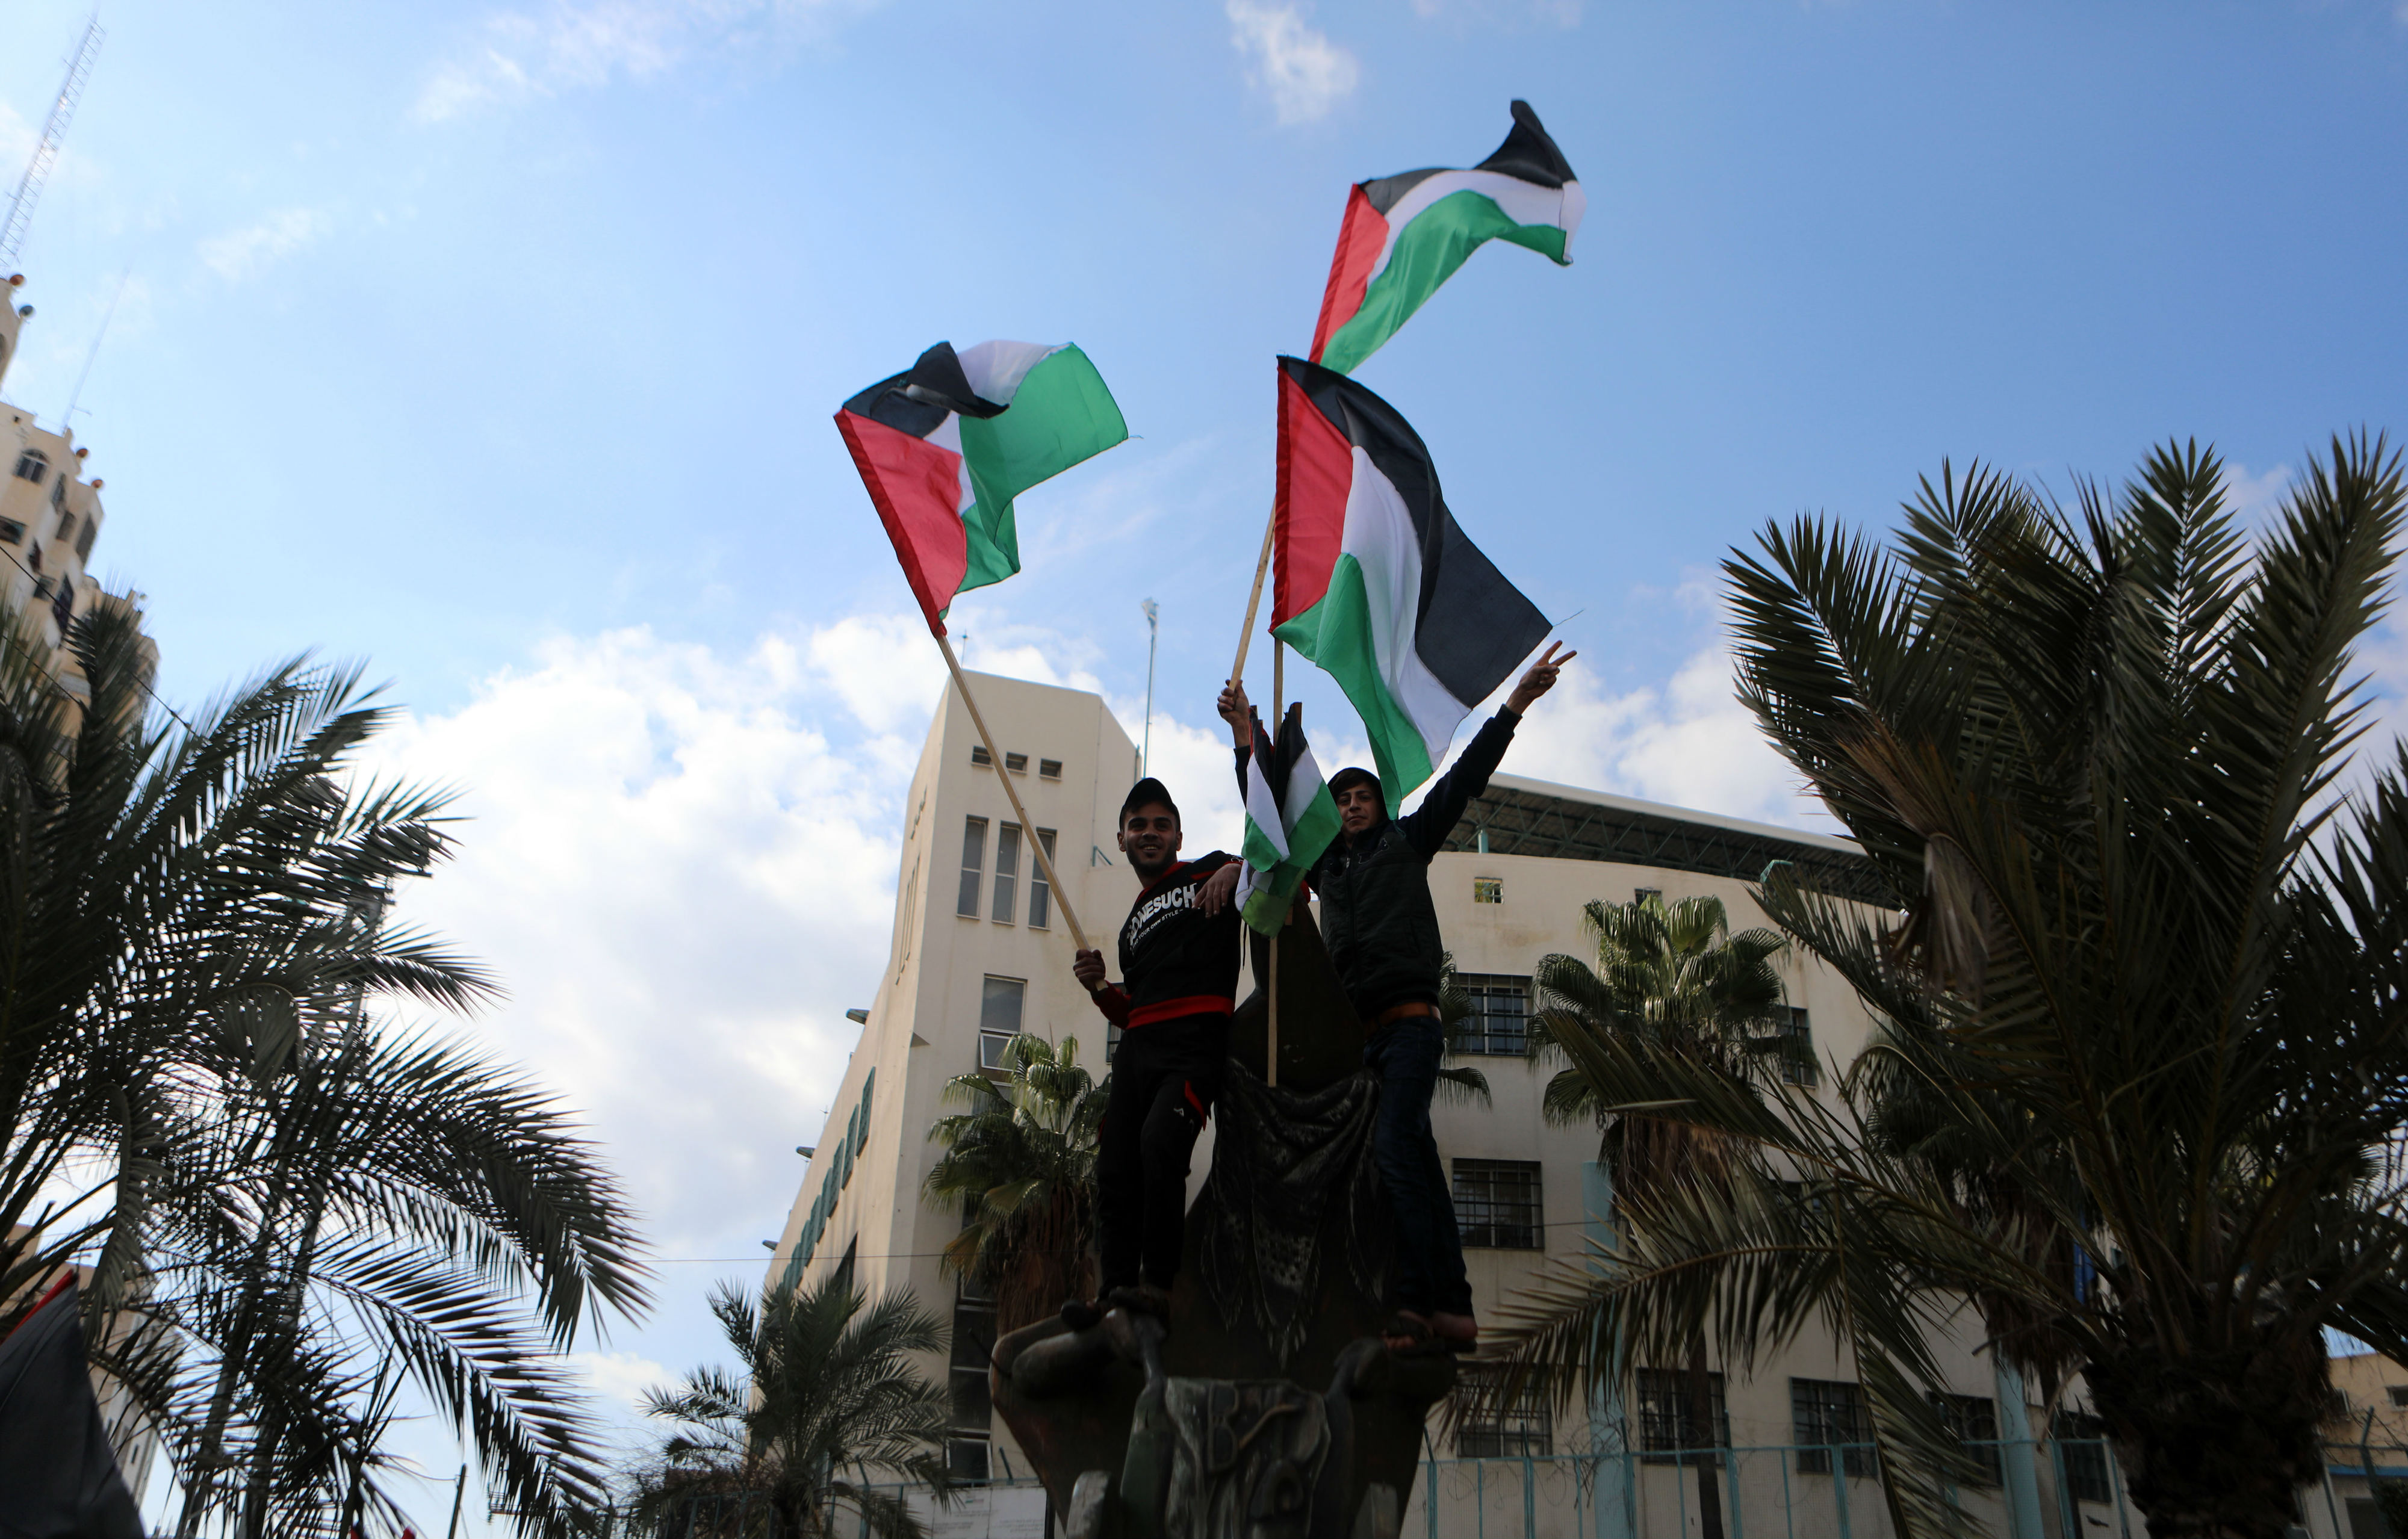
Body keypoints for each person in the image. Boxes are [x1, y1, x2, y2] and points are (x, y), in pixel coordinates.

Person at [1218, 641, 1573, 1351]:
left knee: (1392, 1154)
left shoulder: (1408, 843)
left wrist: (1514, 707)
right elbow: (1273, 817)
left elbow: (1466, 778)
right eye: (1342, 799)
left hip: (1410, 1029)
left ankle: (1413, 1304)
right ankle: (1455, 1308)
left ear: (1381, 806)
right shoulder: (1329, 869)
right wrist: (1245, 740)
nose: (1350, 806)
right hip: (1362, 1042)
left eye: (1361, 797)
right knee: (1416, 1162)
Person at [1064, 777, 1244, 1328]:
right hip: (1137, 1053)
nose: (1149, 833)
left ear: (1178, 835)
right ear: (1121, 838)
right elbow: (1130, 1010)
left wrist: (1236, 871)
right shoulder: (1129, 931)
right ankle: (1113, 1290)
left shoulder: (1207, 870)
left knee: (1159, 1143)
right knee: (1115, 1168)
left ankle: (1157, 1285)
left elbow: (1268, 865)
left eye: (1161, 825)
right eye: (1138, 825)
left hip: (1193, 1048)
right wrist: (1098, 987)